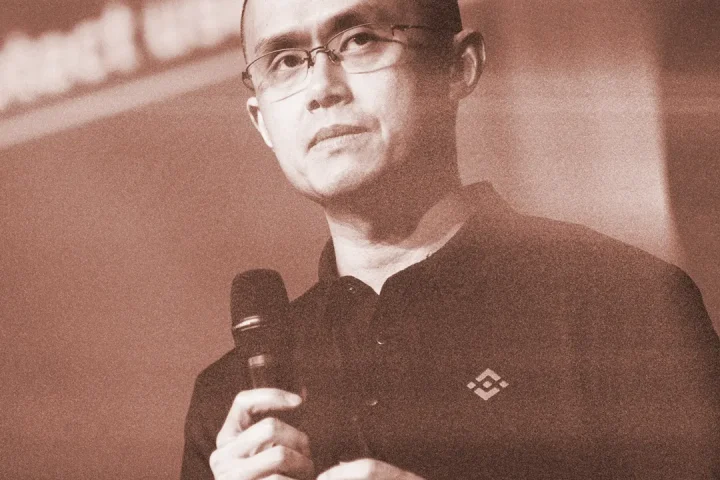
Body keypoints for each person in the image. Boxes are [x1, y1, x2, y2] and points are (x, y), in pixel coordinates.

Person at [181, 0, 720, 478]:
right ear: (262, 122)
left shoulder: (624, 302)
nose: (322, 88)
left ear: (458, 66)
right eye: (285, 61)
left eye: (359, 40)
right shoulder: (228, 402)